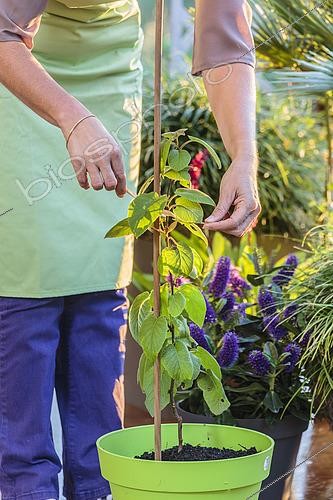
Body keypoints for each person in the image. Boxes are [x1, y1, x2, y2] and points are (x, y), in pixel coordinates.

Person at [0, 0, 260, 498]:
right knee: (25, 315)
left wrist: (244, 157)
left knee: (98, 333)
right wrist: (73, 121)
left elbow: (225, 41)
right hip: (22, 89)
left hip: (111, 96)